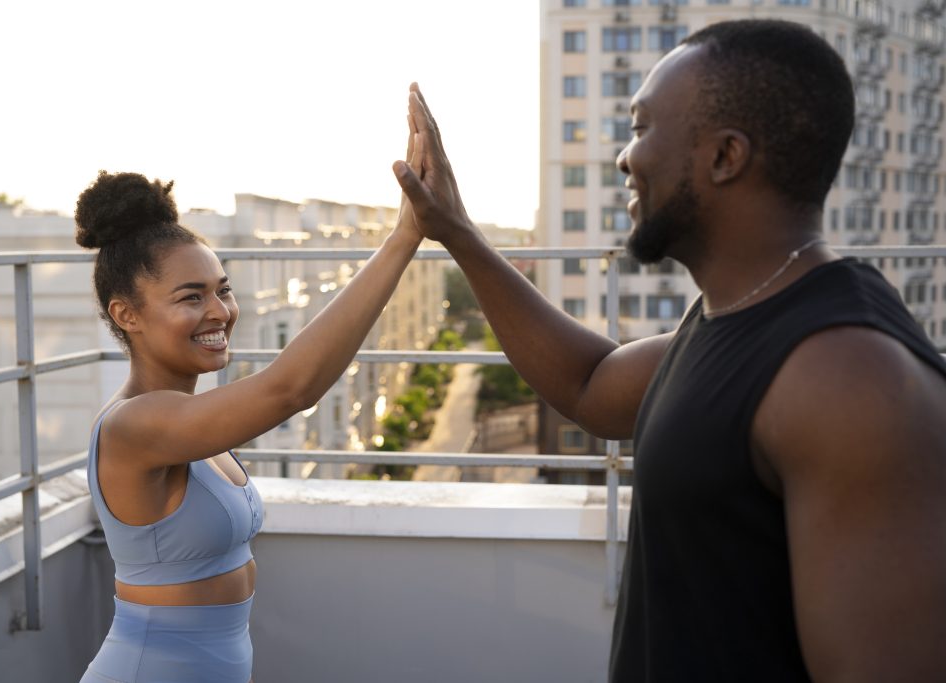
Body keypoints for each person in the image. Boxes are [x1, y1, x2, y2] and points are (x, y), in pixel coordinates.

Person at [393, 19, 946, 683]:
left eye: (643, 126)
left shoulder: (847, 376)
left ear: (725, 156)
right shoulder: (733, 311)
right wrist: (455, 229)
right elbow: (591, 385)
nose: (626, 157)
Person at [76, 118, 423, 681]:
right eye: (192, 297)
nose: (219, 312)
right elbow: (293, 387)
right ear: (127, 314)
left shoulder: (193, 420)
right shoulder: (135, 425)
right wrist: (404, 235)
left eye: (223, 289)